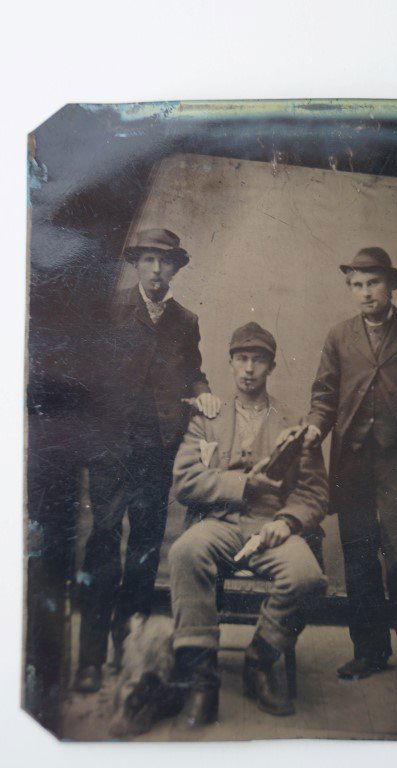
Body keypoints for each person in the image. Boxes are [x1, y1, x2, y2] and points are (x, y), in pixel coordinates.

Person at [287, 247, 397, 681]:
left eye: (373, 283)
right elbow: (323, 397)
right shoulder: (339, 337)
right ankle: (370, 652)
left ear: (391, 284)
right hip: (353, 461)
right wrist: (317, 429)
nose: (365, 293)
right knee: (358, 556)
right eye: (356, 285)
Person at [75, 228, 221, 693]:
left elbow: (193, 372)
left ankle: (130, 647)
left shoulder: (185, 320)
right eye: (148, 261)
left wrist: (204, 394)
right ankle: (91, 658)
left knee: (143, 551)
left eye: (165, 262)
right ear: (136, 265)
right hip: (110, 447)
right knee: (102, 545)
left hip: (156, 452)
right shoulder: (110, 309)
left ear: (176, 267)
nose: (156, 270)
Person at [166, 322, 328, 727]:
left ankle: (262, 657)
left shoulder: (293, 421)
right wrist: (241, 484)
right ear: (231, 363)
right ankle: (201, 678)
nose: (249, 368)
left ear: (271, 366)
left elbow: (314, 492)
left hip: (269, 525)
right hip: (219, 521)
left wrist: (288, 522)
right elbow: (185, 481)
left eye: (258, 360)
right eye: (242, 359)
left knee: (307, 577)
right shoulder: (209, 417)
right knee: (185, 551)